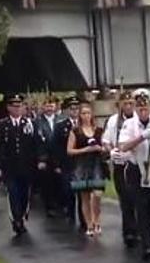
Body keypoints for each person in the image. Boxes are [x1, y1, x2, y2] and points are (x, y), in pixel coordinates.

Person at [118, 91, 150, 260]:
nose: (143, 111)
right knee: (140, 206)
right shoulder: (129, 124)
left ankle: (149, 237)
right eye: (140, 108)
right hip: (136, 170)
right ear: (136, 109)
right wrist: (141, 137)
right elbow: (123, 146)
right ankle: (146, 244)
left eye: (146, 107)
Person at [0, 93, 39, 235]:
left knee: (25, 194)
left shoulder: (29, 124)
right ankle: (16, 220)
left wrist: (39, 160)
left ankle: (22, 216)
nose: (17, 108)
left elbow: (35, 144)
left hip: (26, 166)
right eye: (14, 106)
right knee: (13, 193)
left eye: (19, 106)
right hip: (10, 167)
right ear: (8, 108)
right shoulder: (1, 125)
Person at [102, 89, 139, 247]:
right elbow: (105, 140)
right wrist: (111, 150)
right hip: (119, 164)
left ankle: (140, 228)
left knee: (137, 198)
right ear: (120, 105)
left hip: (135, 163)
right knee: (125, 198)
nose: (129, 106)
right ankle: (129, 230)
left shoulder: (140, 120)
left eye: (131, 103)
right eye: (126, 103)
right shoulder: (112, 121)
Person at [66, 102, 107, 236]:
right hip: (81, 165)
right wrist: (85, 149)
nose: (86, 116)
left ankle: (97, 220)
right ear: (80, 115)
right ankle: (89, 224)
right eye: (83, 113)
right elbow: (70, 151)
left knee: (97, 194)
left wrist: (100, 148)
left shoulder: (99, 130)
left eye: (88, 113)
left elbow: (105, 147)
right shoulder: (75, 131)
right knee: (84, 197)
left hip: (96, 164)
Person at [54, 95, 85, 230]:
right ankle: (70, 213)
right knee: (69, 191)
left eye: (77, 109)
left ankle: (83, 218)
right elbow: (56, 147)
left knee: (82, 192)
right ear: (67, 110)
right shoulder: (61, 126)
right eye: (72, 109)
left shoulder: (86, 125)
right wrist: (57, 164)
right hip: (67, 164)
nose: (74, 111)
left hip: (82, 164)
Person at [35, 96, 61, 216]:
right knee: (47, 183)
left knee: (59, 182)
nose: (49, 108)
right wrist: (40, 158)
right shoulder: (37, 122)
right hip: (45, 158)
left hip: (59, 157)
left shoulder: (60, 120)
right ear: (43, 107)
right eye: (47, 105)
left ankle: (60, 204)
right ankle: (49, 206)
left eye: (51, 105)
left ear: (55, 107)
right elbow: (36, 142)